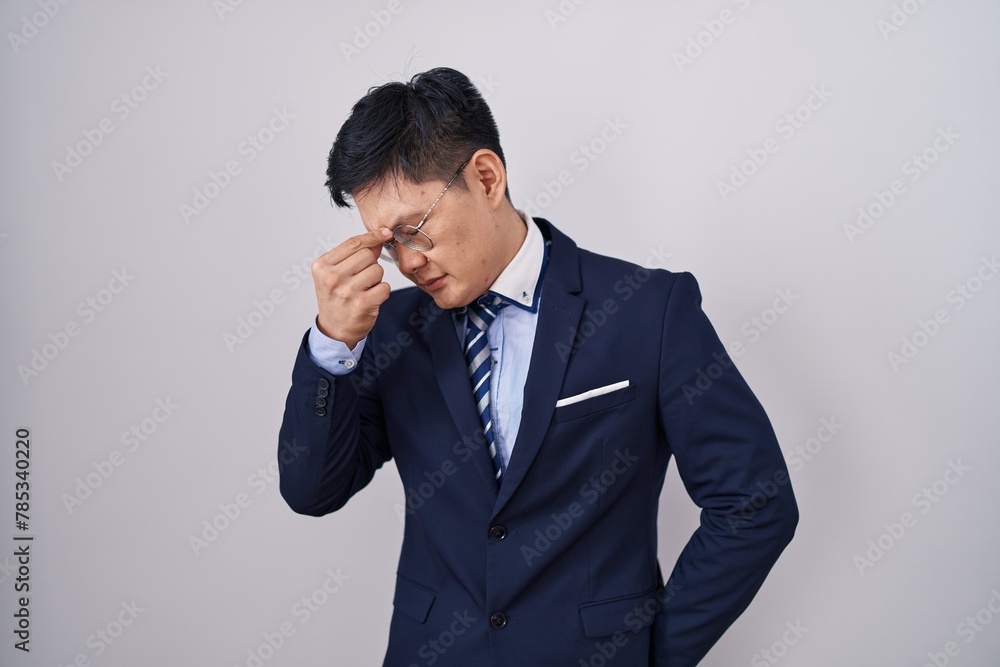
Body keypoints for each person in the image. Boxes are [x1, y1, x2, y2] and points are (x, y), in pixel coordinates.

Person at [278, 67, 797, 666]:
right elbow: (311, 491)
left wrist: (652, 654)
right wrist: (331, 344)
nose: (405, 262)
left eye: (412, 230)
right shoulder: (387, 328)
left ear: (486, 177)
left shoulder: (646, 311)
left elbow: (754, 501)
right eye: (385, 244)